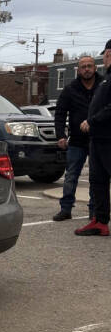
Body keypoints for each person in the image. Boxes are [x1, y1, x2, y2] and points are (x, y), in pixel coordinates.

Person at [52, 55, 101, 220]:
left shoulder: (104, 86)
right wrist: (61, 135)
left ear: (95, 68)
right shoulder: (70, 89)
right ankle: (66, 209)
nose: (87, 69)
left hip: (98, 140)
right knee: (71, 175)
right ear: (78, 70)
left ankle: (94, 210)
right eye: (83, 66)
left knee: (96, 177)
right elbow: (60, 113)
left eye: (89, 66)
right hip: (77, 140)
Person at [75, 39, 111, 236]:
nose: (104, 58)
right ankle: (100, 221)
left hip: (108, 139)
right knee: (98, 181)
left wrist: (92, 120)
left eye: (105, 54)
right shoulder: (106, 78)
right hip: (97, 140)